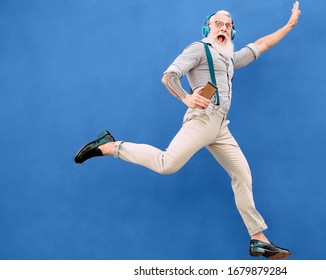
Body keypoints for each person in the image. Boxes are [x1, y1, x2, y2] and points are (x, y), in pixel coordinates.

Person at [75, 1, 301, 259]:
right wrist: (186, 98)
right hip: (202, 119)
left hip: (220, 127)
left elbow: (261, 45)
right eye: (219, 24)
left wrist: (289, 25)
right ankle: (109, 145)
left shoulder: (228, 59)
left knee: (242, 176)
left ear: (232, 32)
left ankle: (258, 239)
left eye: (228, 26)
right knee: (166, 164)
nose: (224, 28)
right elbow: (169, 76)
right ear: (208, 28)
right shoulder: (199, 49)